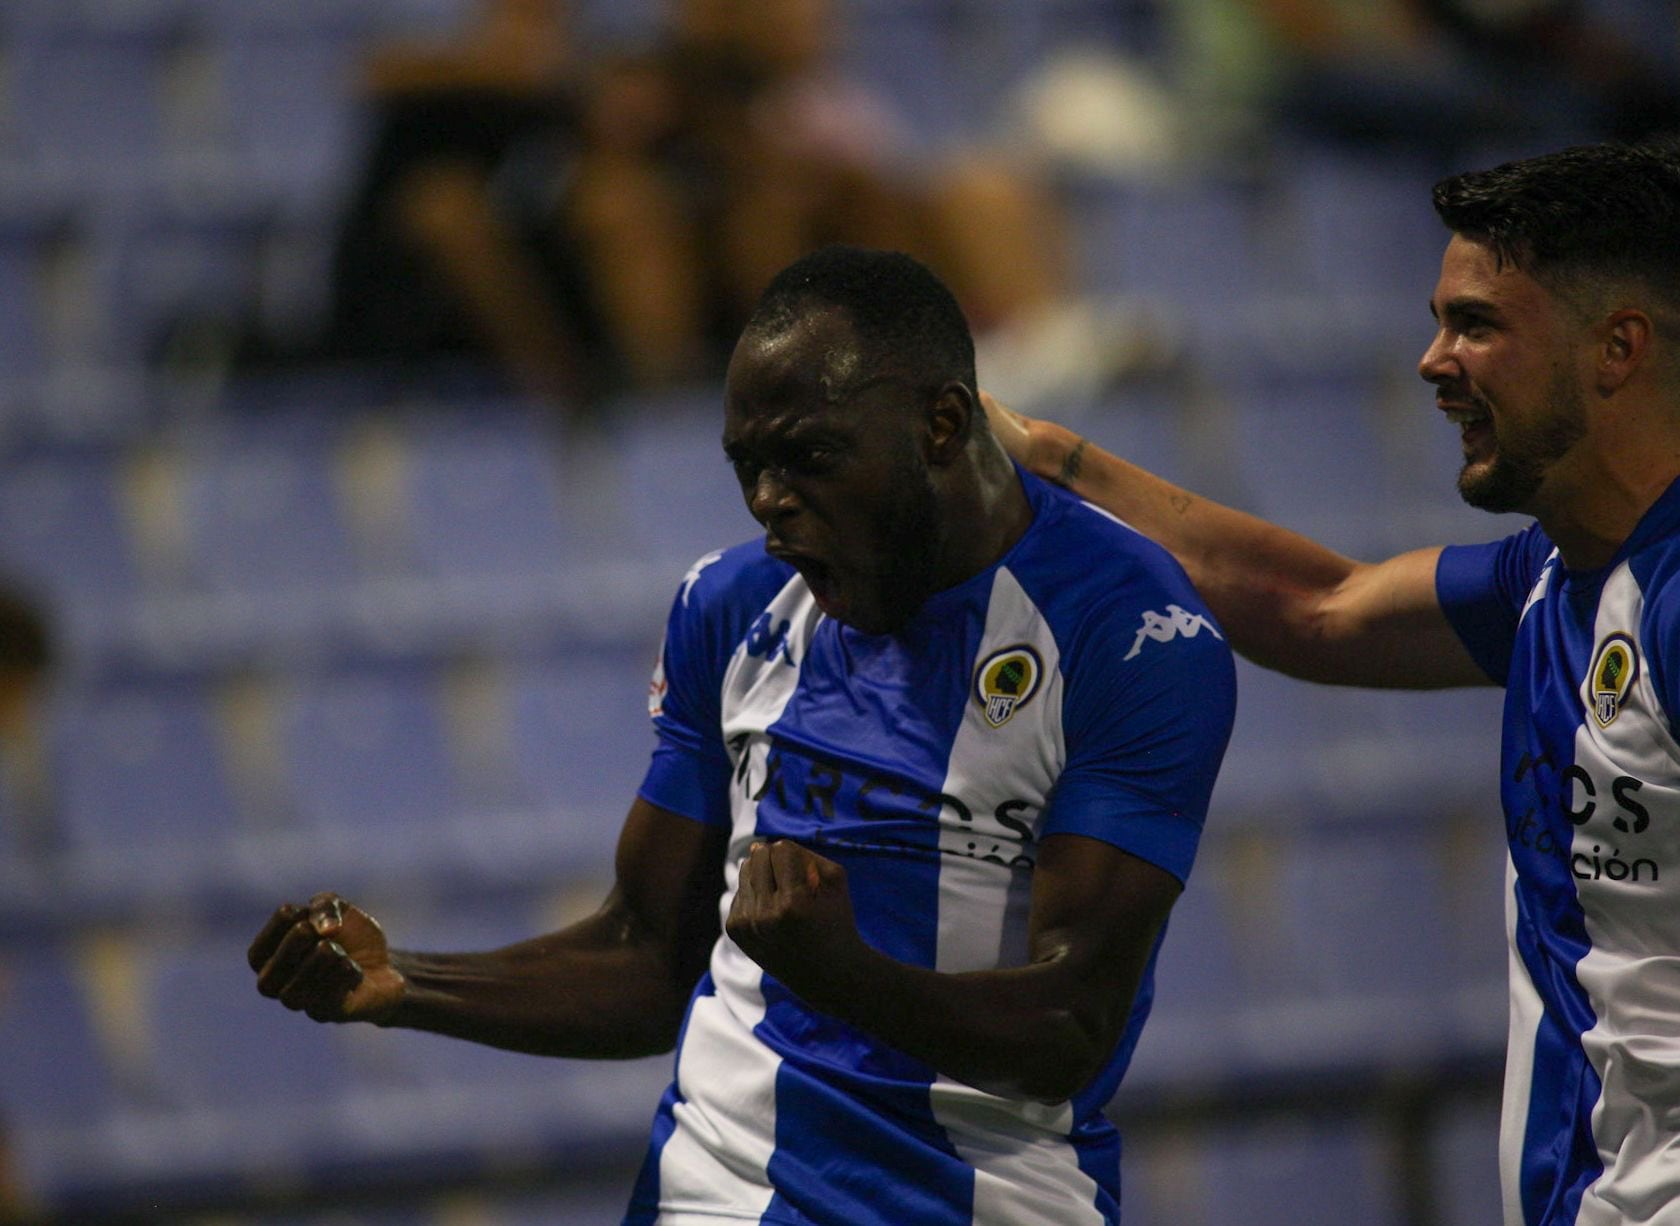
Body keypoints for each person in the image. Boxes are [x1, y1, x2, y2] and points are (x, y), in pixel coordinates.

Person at [247, 245, 1235, 1223]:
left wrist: (843, 972)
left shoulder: (1130, 632)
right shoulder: (732, 606)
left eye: (807, 458)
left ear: (940, 424)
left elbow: (1070, 1024)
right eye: (747, 467)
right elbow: (645, 953)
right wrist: (402, 979)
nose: (768, 502)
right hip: (709, 1191)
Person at [992, 137, 1680, 1225]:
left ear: (1615, 347)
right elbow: (1315, 609)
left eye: (1475, 324)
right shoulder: (1547, 580)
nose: (1429, 360)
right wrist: (1044, 457)